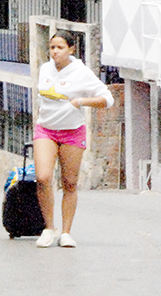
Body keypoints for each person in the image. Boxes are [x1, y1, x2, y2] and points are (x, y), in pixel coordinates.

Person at [33, 30, 114, 248]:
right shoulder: (44, 69)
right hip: (46, 130)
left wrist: (80, 101)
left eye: (60, 47)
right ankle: (49, 228)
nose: (55, 52)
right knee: (42, 177)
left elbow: (107, 99)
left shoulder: (81, 72)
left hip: (71, 131)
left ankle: (66, 232)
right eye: (52, 47)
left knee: (69, 182)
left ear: (71, 49)